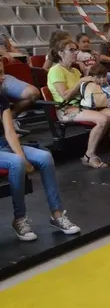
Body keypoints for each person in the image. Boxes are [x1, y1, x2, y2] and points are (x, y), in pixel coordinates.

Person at [0, 62, 80, 241]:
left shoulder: (1, 98)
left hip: (4, 144)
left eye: (2, 72)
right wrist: (21, 159)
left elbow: (9, 131)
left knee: (44, 157)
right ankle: (20, 218)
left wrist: (21, 155)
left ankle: (57, 215)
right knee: (17, 162)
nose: (2, 77)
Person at [47, 38, 110, 169]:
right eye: (71, 50)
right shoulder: (55, 70)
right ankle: (89, 155)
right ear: (60, 53)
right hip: (66, 108)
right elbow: (64, 96)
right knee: (103, 119)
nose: (76, 52)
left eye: (76, 49)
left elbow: (83, 91)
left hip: (84, 104)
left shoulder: (75, 71)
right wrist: (81, 81)